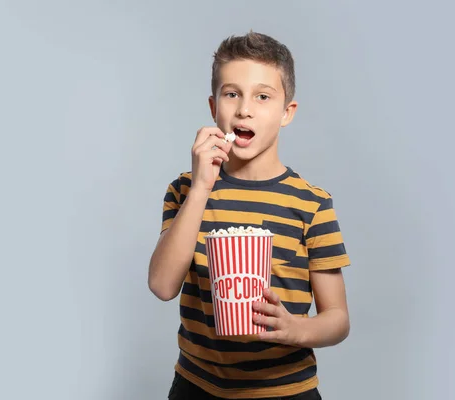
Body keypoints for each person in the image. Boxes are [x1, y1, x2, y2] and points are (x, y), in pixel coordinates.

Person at [148, 31, 351, 400]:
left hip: (286, 390)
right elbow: (162, 286)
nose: (244, 109)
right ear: (214, 108)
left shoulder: (312, 204)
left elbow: (337, 318)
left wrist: (295, 330)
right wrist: (201, 190)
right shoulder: (185, 190)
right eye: (232, 94)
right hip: (197, 386)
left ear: (287, 112)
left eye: (262, 96)